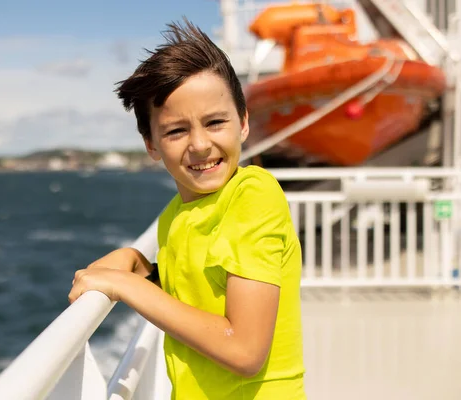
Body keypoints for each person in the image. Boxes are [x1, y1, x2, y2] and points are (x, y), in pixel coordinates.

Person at [68, 19, 306, 400]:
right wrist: (139, 266)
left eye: (215, 122)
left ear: (243, 123)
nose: (199, 144)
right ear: (151, 144)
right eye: (176, 131)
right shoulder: (176, 214)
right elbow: (200, 287)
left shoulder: (253, 195)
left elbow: (244, 351)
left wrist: (125, 285)